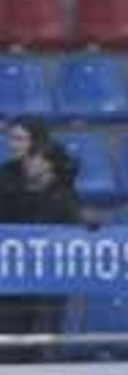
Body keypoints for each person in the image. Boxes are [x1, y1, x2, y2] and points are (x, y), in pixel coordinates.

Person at [0, 118, 81, 358]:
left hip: (48, 275)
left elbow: (70, 223)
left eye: (19, 139)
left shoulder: (62, 185)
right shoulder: (4, 177)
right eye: (11, 138)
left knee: (44, 342)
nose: (12, 144)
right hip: (10, 275)